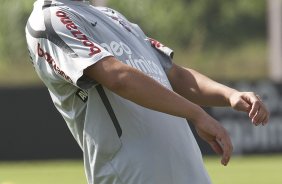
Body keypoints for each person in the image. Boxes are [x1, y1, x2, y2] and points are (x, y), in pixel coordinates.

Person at [25, 0, 269, 183]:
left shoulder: (113, 17)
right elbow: (117, 77)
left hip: (187, 172)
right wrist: (197, 114)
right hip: (133, 174)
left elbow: (174, 74)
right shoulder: (50, 19)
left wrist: (229, 95)